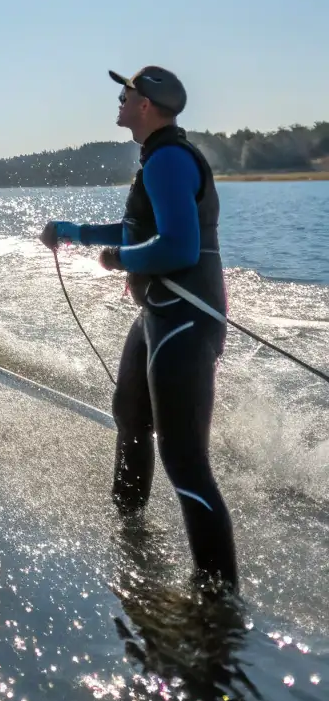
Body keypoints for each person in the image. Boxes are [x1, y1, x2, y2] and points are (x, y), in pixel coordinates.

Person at [39, 66, 237, 589]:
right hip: (159, 316)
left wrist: (120, 258)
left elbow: (179, 247)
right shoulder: (157, 156)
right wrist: (74, 232)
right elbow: (137, 228)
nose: (120, 100)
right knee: (129, 414)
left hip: (185, 321)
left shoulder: (169, 160)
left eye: (126, 93)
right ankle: (130, 532)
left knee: (185, 461)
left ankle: (218, 599)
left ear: (146, 104)